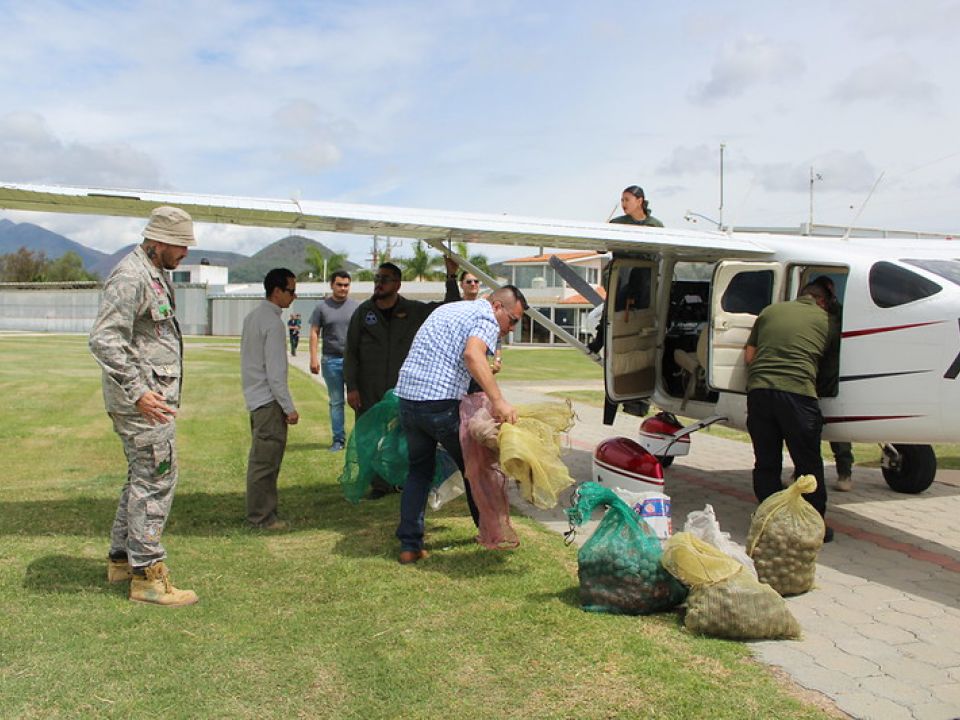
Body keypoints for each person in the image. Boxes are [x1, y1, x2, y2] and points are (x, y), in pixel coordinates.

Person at [90, 205, 199, 606]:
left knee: (141, 477)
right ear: (159, 241)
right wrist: (138, 391)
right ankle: (147, 576)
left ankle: (122, 559)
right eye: (181, 244)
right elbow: (104, 339)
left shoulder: (154, 273)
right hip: (143, 404)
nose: (185, 252)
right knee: (156, 478)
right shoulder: (131, 276)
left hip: (149, 400)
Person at [393, 285, 528, 564]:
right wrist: (499, 401)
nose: (511, 328)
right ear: (497, 307)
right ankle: (491, 533)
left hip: (408, 400)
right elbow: (472, 355)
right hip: (439, 404)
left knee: (419, 471)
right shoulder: (486, 317)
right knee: (478, 466)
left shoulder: (452, 309)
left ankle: (409, 544)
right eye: (512, 320)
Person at [343, 256, 461, 498]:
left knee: (402, 437)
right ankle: (378, 484)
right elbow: (350, 352)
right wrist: (351, 387)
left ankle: (402, 479)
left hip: (402, 388)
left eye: (385, 279)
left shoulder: (413, 310)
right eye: (377, 278)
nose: (379, 283)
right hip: (369, 387)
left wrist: (451, 277)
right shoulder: (363, 312)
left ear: (397, 284)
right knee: (370, 437)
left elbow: (450, 308)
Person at [744, 282, 837, 542]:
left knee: (766, 461)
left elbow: (749, 357)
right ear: (822, 301)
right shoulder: (826, 321)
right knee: (807, 463)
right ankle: (812, 526)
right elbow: (829, 364)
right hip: (797, 393)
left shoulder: (770, 311)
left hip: (759, 391)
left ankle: (770, 522)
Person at [241, 268, 300, 530]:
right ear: (277, 291)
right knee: (265, 463)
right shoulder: (274, 324)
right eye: (291, 291)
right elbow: (276, 374)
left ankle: (263, 512)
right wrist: (289, 408)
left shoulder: (252, 317)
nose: (294, 296)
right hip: (268, 401)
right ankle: (262, 517)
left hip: (256, 398)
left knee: (263, 460)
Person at [811, 275, 855, 492]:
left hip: (829, 376)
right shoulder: (832, 314)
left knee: (834, 431)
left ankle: (844, 472)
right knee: (811, 428)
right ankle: (839, 473)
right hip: (819, 376)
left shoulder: (837, 316)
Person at [308, 271, 358, 452]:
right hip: (331, 361)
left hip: (353, 362)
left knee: (358, 401)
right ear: (332, 285)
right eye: (339, 285)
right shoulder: (321, 308)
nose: (343, 288)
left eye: (346, 285)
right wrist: (313, 358)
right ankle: (338, 440)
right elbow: (314, 332)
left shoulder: (356, 307)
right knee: (336, 402)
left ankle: (360, 440)